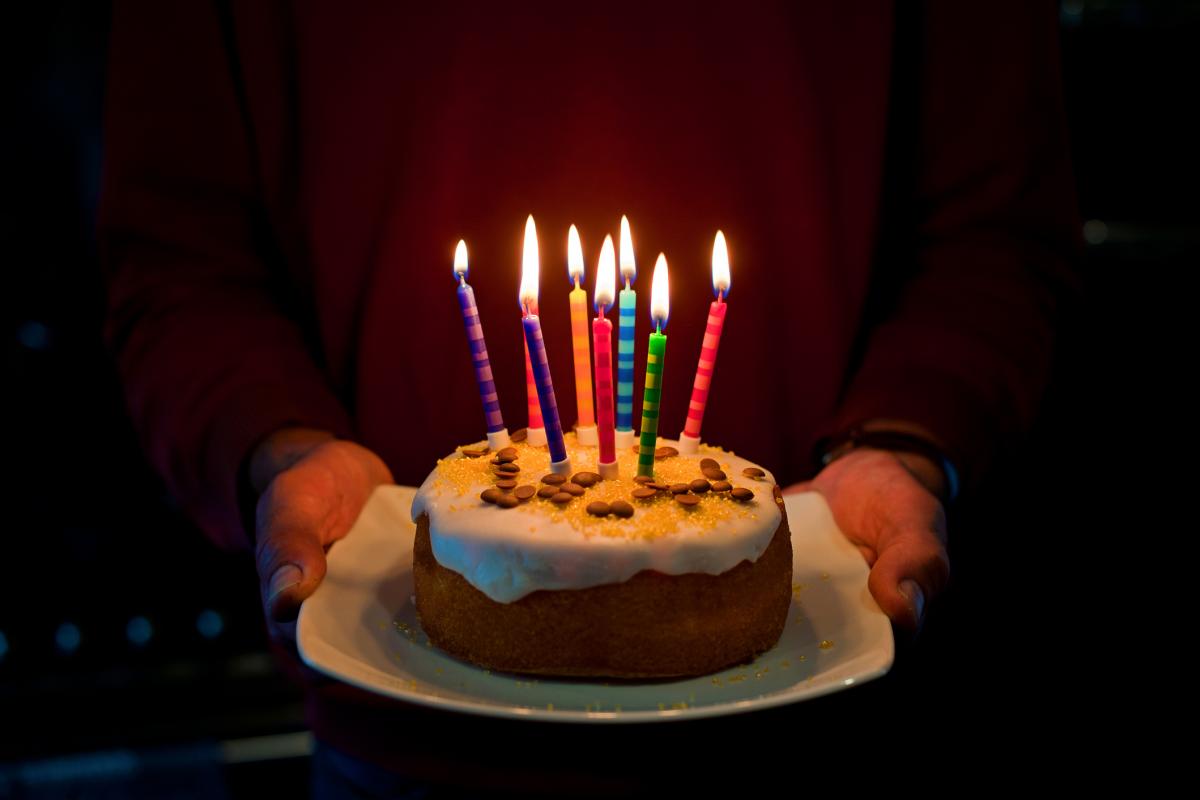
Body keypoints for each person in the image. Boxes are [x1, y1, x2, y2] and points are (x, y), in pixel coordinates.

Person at [99, 1, 1079, 794]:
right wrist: (274, 438)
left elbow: (999, 226)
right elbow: (176, 256)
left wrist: (912, 436)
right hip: (395, 737)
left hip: (820, 727)